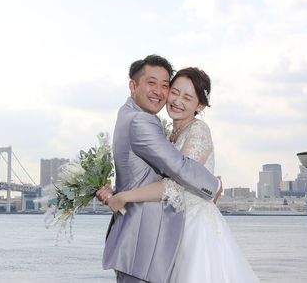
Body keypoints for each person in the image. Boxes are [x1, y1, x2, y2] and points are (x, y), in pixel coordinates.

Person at [101, 67, 259, 283]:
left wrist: (125, 197)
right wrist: (116, 192)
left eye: (187, 98)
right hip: (171, 226)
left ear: (200, 106)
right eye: (174, 92)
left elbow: (176, 185)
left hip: (195, 228)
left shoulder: (198, 131)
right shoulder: (169, 134)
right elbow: (152, 178)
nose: (177, 101)